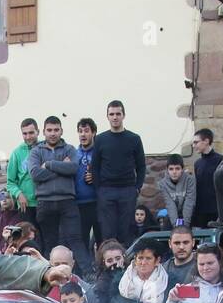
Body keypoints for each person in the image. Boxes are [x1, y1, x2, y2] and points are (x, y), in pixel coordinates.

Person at [27, 116, 85, 270]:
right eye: (49, 130)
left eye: (56, 130)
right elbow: (35, 174)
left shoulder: (70, 149)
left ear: (61, 131)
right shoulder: (35, 151)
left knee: (75, 239)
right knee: (49, 243)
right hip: (45, 203)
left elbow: (73, 168)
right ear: (44, 132)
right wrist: (61, 169)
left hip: (67, 201)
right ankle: (47, 275)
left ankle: (86, 275)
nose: (53, 133)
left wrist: (50, 165)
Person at [90, 100, 146, 246]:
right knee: (107, 232)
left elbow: (141, 166)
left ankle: (126, 264)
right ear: (107, 116)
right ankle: (108, 265)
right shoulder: (100, 139)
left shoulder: (134, 139)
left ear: (123, 115)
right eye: (112, 114)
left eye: (118, 114)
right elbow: (95, 166)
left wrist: (137, 187)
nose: (115, 117)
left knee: (126, 231)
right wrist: (99, 189)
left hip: (127, 190)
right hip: (106, 191)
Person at [6, 118, 40, 231]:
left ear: (38, 132)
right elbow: (10, 182)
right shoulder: (16, 153)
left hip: (44, 202)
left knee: (47, 239)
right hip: (25, 206)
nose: (28, 137)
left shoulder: (44, 148)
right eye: (24, 133)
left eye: (31, 133)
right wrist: (19, 194)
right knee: (29, 239)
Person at [74, 117, 99, 253]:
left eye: (87, 131)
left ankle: (103, 270)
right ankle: (83, 272)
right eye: (80, 131)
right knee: (81, 240)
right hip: (79, 204)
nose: (83, 134)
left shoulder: (99, 152)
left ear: (94, 133)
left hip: (98, 202)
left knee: (101, 239)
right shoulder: (73, 154)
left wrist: (96, 177)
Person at [191, 127, 221, 230]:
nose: (194, 146)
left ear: (206, 141)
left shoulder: (221, 160)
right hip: (200, 210)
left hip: (216, 209)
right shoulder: (197, 163)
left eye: (196, 142)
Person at [159, 153, 196, 230]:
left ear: (182, 169)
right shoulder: (163, 183)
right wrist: (176, 226)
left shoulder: (190, 180)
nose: (174, 172)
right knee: (166, 225)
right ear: (167, 170)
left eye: (177, 168)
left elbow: (189, 202)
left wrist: (185, 226)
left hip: (190, 213)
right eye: (171, 169)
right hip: (173, 214)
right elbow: (170, 204)